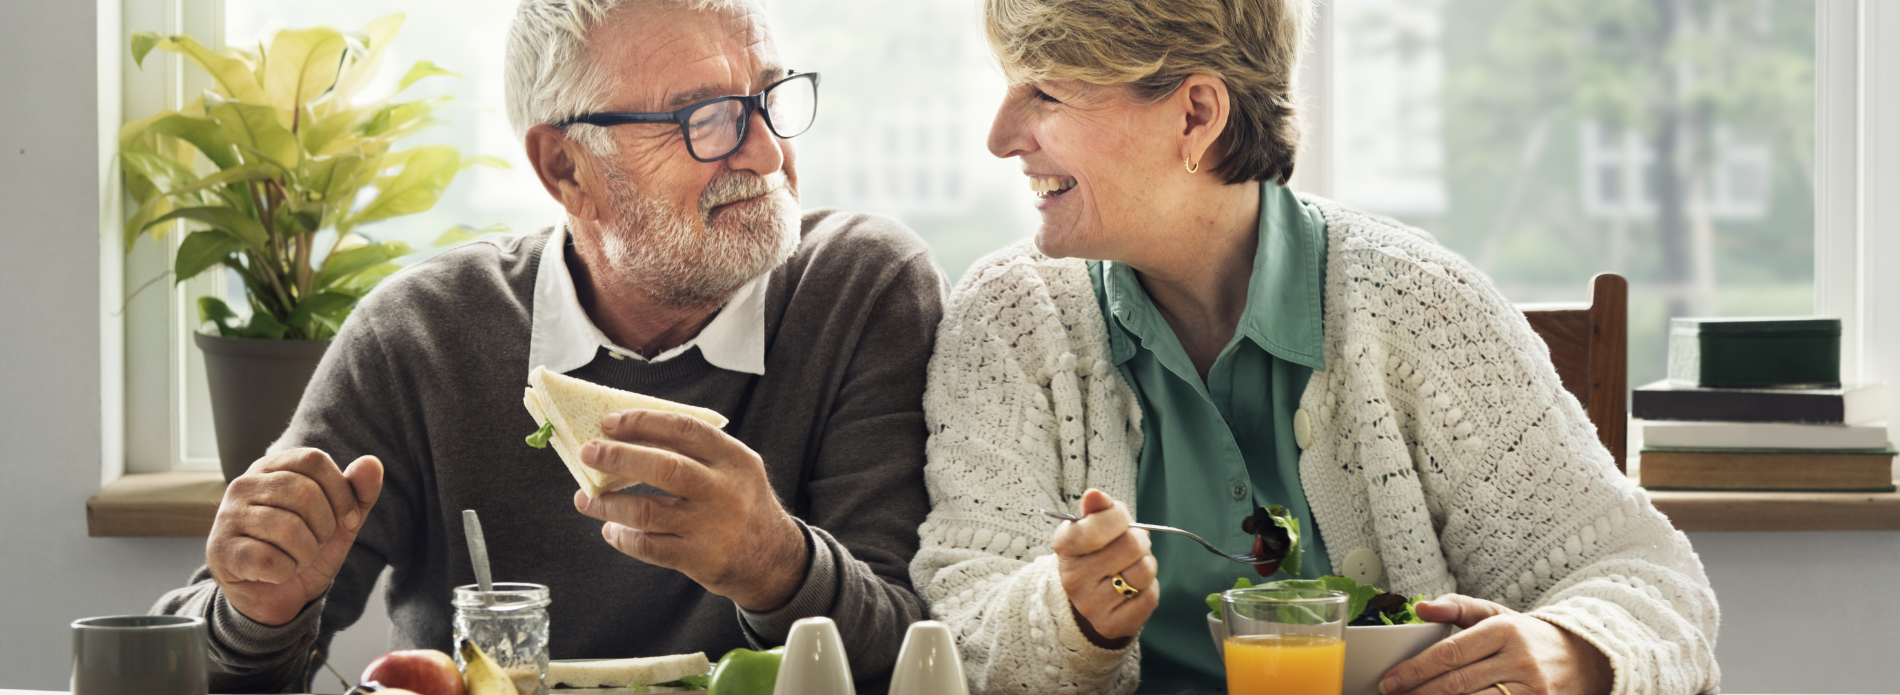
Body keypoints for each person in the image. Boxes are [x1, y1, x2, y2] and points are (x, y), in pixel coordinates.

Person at [910, 0, 1720, 693]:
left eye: (1045, 93)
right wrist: (1072, 614)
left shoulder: (1421, 306)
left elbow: (1649, 581)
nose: (1001, 135)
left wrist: (1570, 647)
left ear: (1196, 113)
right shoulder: (1010, 319)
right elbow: (959, 619)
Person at [152, 0, 944, 691]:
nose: (768, 153)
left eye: (770, 98)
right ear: (565, 166)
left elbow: (922, 657)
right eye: (705, 119)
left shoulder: (861, 290)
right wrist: (256, 609)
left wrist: (776, 564)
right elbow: (206, 667)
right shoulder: (421, 334)